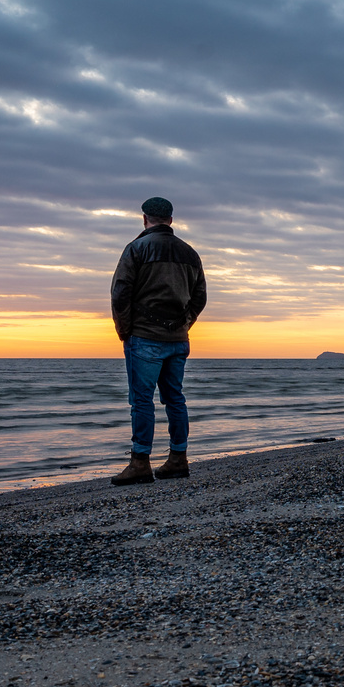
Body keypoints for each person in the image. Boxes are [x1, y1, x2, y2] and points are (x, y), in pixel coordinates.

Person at [107, 196, 207, 486]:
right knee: (175, 399)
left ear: (144, 219)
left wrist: (124, 329)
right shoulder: (190, 253)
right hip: (178, 338)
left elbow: (120, 293)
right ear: (171, 221)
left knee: (142, 401)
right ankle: (178, 458)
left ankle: (140, 462)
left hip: (144, 337)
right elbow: (200, 297)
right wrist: (185, 323)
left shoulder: (136, 248)